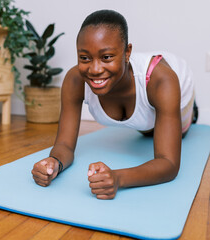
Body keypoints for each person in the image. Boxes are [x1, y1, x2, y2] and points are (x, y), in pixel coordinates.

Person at [31, 9, 198, 200]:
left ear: (127, 52)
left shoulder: (162, 80)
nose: (94, 69)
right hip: (143, 101)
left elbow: (169, 163)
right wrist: (53, 163)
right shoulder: (75, 80)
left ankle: (192, 111)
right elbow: (64, 145)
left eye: (106, 57)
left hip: (177, 88)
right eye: (84, 58)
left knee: (177, 132)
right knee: (146, 128)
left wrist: (118, 178)